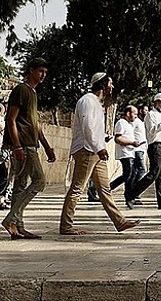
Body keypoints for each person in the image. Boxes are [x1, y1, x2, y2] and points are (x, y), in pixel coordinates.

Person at [59, 73, 140, 235]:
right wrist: (98, 147)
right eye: (110, 84)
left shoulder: (96, 103)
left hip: (96, 150)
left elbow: (94, 129)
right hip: (87, 150)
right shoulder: (88, 100)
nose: (112, 87)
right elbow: (88, 127)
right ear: (103, 85)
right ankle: (66, 225)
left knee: (104, 189)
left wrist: (100, 144)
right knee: (77, 188)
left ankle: (119, 221)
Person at [1, 57, 57, 240]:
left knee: (20, 185)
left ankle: (18, 227)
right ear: (31, 70)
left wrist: (47, 146)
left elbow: (36, 124)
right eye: (40, 71)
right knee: (39, 181)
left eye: (46, 73)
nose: (43, 75)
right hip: (23, 145)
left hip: (31, 143)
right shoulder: (21, 90)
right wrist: (17, 146)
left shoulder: (32, 93)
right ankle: (11, 218)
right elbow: (11, 119)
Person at [125, 93, 161, 210]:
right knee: (153, 174)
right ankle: (131, 194)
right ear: (156, 102)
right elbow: (152, 132)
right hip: (156, 146)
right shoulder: (151, 115)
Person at [109, 106, 144, 197]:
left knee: (128, 175)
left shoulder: (128, 124)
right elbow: (118, 139)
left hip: (130, 153)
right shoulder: (121, 123)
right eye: (134, 114)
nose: (136, 116)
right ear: (128, 113)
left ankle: (111, 188)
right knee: (129, 175)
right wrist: (132, 143)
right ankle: (128, 195)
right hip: (125, 153)